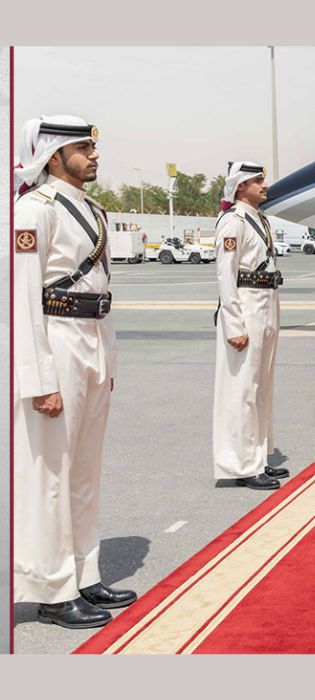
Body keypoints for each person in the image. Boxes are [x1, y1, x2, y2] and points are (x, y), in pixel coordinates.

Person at [13, 115, 136, 628]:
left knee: (85, 469)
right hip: (56, 344)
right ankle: (52, 588)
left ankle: (84, 574)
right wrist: (38, 380)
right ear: (54, 155)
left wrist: (108, 361)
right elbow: (21, 299)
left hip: (91, 342)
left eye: (92, 146)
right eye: (83, 147)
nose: (94, 154)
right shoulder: (32, 210)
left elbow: (100, 290)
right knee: (51, 474)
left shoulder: (91, 209)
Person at [213, 161, 287, 490]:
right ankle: (241, 463)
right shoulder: (233, 221)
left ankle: (257, 457)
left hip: (266, 302)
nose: (264, 185)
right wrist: (233, 324)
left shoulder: (259, 219)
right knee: (243, 388)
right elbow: (225, 275)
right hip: (246, 305)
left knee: (260, 386)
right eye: (257, 180)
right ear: (241, 186)